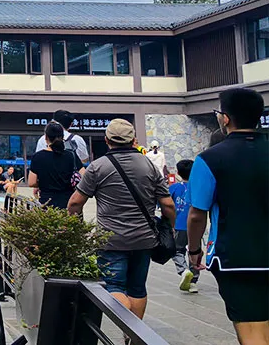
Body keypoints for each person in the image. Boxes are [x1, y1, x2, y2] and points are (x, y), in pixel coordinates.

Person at [68, 119, 176, 324]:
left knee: (113, 286)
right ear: (134, 140)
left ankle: (128, 325)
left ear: (107, 140)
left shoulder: (97, 167)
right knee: (137, 288)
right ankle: (133, 334)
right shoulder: (149, 166)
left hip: (111, 240)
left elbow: (75, 203)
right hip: (145, 240)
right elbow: (168, 204)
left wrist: (77, 229)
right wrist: (169, 227)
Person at [187, 88, 268, 343]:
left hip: (235, 257)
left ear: (225, 118)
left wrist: (193, 250)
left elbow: (197, 214)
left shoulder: (209, 159)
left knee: (253, 329)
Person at [28, 122, 85, 209]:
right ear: (62, 137)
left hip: (47, 203)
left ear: (46, 137)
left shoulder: (38, 157)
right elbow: (84, 176)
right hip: (69, 203)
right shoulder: (71, 155)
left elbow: (31, 182)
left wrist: (43, 183)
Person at [169, 159, 199, 293]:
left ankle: (184, 271)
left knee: (177, 250)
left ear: (178, 173)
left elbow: (167, 205)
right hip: (197, 225)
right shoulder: (199, 187)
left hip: (179, 225)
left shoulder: (174, 188)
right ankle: (193, 281)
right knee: (195, 251)